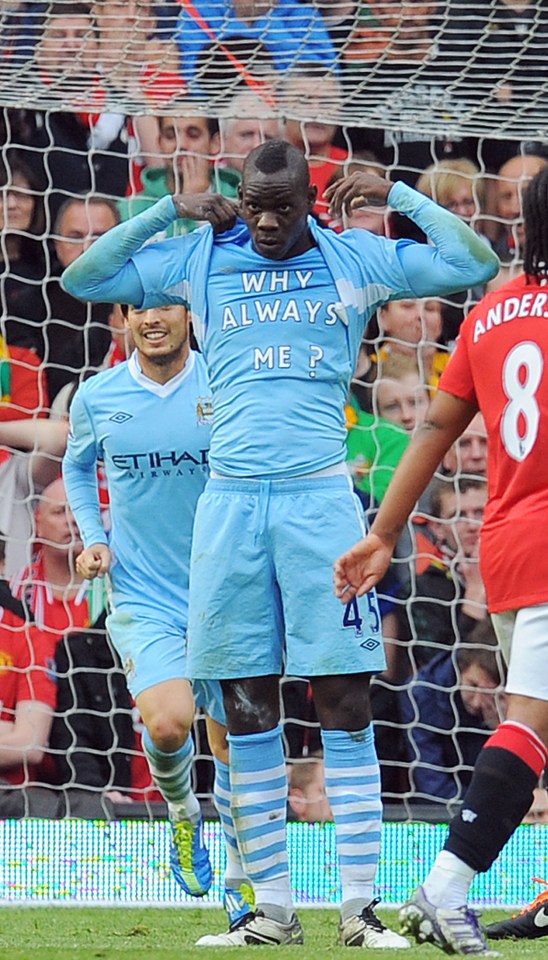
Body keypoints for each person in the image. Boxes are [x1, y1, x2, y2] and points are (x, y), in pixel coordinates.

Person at [61, 138, 499, 948]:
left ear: (310, 200)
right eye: (253, 206)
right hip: (227, 511)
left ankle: (359, 909)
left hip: (320, 505)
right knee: (245, 703)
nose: (264, 222)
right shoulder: (203, 255)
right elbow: (81, 281)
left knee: (343, 701)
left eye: (282, 207)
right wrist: (168, 209)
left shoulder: (357, 256)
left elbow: (470, 262)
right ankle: (272, 911)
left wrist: (399, 191)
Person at [333, 165, 548, 954]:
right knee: (531, 721)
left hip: (509, 539)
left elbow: (432, 430)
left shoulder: (490, 315)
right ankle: (446, 885)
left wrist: (385, 530)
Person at [62, 302, 252, 925]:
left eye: (168, 304)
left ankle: (240, 882)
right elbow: (76, 464)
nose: (153, 318)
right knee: (169, 725)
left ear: (190, 312)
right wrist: (94, 537)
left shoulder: (224, 382)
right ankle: (181, 813)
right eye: (140, 306)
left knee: (231, 747)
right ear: (122, 315)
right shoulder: (98, 395)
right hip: (143, 594)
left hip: (226, 589)